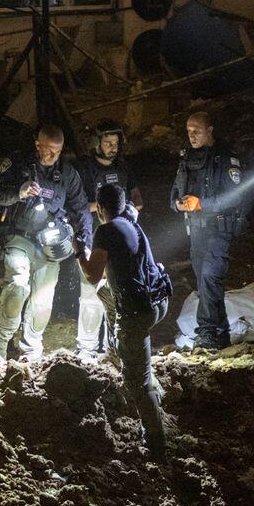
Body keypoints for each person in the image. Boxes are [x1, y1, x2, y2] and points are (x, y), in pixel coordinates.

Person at [0, 123, 91, 361]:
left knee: (42, 301)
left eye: (58, 151)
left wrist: (85, 242)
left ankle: (31, 348)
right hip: (18, 235)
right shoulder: (17, 163)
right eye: (48, 150)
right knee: (17, 286)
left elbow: (81, 208)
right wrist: (18, 193)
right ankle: (0, 345)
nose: (53, 156)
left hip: (49, 243)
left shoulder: (67, 173)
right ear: (37, 145)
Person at [81, 182, 172, 458]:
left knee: (138, 384)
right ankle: (120, 352)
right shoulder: (131, 220)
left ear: (100, 209)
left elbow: (92, 274)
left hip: (136, 313)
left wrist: (78, 250)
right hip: (158, 300)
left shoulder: (105, 231)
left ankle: (156, 444)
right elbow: (104, 278)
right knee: (105, 293)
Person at [171, 108, 246, 350]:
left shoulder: (225, 158)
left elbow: (234, 196)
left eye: (197, 131)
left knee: (210, 277)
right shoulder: (187, 160)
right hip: (196, 230)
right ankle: (220, 332)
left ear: (210, 130)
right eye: (188, 131)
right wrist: (178, 204)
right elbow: (174, 194)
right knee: (205, 283)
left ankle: (206, 330)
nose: (192, 136)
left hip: (218, 228)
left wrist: (201, 204)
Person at [68, 120, 142, 357]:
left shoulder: (123, 167)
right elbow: (76, 203)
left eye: (116, 143)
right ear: (96, 143)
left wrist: (127, 209)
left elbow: (137, 198)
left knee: (117, 293)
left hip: (120, 237)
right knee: (91, 292)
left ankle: (113, 348)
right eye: (108, 143)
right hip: (93, 233)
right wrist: (106, 207)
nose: (113, 147)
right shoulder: (83, 169)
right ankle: (87, 347)